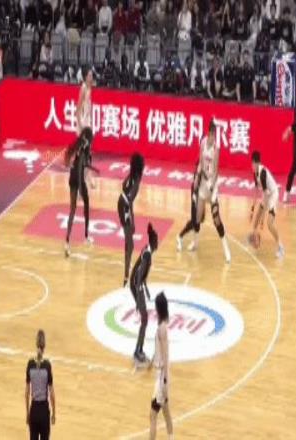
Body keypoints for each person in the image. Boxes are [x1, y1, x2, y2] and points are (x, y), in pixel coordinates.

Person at [193, 120, 232, 263]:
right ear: (208, 134)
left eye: (215, 135)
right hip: (203, 183)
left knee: (216, 219)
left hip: (212, 185)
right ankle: (195, 243)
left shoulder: (216, 148)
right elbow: (200, 162)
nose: (213, 138)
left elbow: (216, 170)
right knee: (198, 216)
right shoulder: (203, 142)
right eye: (212, 135)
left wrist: (212, 185)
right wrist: (197, 177)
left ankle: (226, 248)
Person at [64, 127, 98, 257]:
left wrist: (92, 172)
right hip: (77, 179)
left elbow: (82, 165)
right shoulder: (85, 150)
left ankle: (67, 242)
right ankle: (86, 236)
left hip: (72, 178)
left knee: (73, 209)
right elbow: (80, 169)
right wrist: (80, 189)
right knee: (85, 204)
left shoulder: (79, 145)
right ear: (89, 139)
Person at [130, 223, 158, 364]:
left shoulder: (147, 250)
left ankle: (139, 350)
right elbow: (140, 273)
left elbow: (140, 271)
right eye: (157, 241)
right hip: (136, 286)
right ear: (153, 242)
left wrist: (144, 288)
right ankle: (137, 351)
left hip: (136, 285)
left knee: (144, 320)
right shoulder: (147, 254)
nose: (158, 243)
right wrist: (139, 291)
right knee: (145, 320)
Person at [250, 151, 285, 258]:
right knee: (255, 221)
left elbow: (266, 195)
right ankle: (256, 240)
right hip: (266, 195)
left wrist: (263, 217)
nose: (251, 166)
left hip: (273, 195)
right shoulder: (255, 173)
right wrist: (252, 209)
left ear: (255, 163)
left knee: (269, 224)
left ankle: (280, 246)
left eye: (252, 163)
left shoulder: (263, 173)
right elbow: (257, 191)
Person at [149, 292, 174, 440]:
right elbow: (160, 351)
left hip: (161, 377)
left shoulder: (161, 329)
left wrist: (164, 381)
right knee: (166, 412)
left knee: (152, 415)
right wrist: (151, 361)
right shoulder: (163, 326)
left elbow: (165, 356)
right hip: (162, 376)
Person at [118, 153, 145, 286]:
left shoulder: (131, 174)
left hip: (120, 202)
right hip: (125, 207)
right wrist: (132, 220)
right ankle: (126, 278)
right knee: (130, 243)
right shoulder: (137, 181)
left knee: (130, 243)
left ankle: (127, 267)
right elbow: (129, 201)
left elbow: (123, 185)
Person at [25, 330, 56, 440]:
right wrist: (54, 413)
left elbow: (27, 393)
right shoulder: (47, 366)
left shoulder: (30, 364)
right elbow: (52, 394)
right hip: (44, 412)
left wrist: (27, 413)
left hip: (33, 410)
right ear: (44, 346)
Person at [176, 160, 202, 251]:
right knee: (195, 221)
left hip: (201, 198)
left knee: (198, 221)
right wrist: (194, 197)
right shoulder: (197, 173)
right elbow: (194, 186)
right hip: (196, 197)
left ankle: (193, 242)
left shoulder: (206, 171)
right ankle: (180, 237)